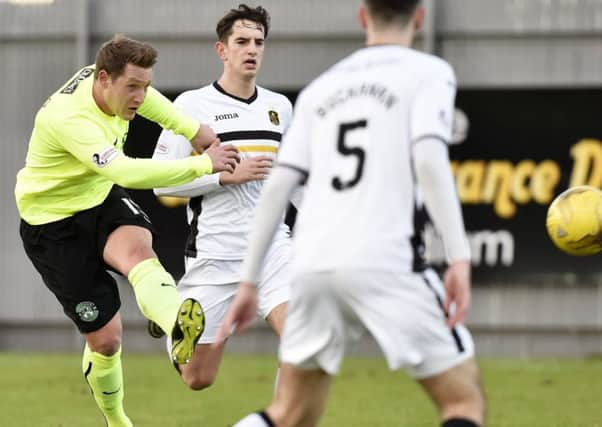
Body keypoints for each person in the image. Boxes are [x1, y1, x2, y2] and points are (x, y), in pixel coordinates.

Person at [217, 1, 487, 426]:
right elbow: (431, 161)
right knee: (463, 403)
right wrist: (459, 257)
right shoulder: (428, 72)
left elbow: (279, 187)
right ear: (419, 17)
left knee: (289, 414)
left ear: (363, 16)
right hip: (386, 258)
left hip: (312, 264)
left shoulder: (321, 90)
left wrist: (250, 279)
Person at [15, 34, 239, 427]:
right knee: (107, 340)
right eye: (131, 87)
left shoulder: (115, 85)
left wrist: (193, 130)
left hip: (98, 199)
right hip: (51, 225)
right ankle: (117, 420)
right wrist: (204, 164)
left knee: (140, 254)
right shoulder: (69, 118)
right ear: (104, 79)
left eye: (145, 85)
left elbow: (148, 102)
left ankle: (174, 324)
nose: (139, 96)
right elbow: (125, 171)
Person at [151, 4, 295, 391]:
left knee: (301, 339)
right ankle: (171, 318)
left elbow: (291, 180)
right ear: (222, 50)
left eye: (259, 42)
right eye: (242, 41)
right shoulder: (191, 106)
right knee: (198, 378)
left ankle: (282, 417)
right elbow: (162, 184)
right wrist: (220, 177)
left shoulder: (279, 108)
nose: (252, 50)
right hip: (216, 252)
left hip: (272, 249)